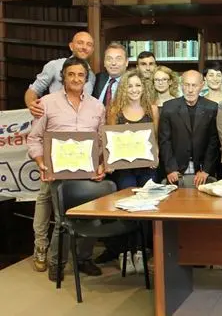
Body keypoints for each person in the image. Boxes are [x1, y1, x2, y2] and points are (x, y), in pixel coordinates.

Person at [26, 57, 106, 282]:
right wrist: (40, 161)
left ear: (86, 78)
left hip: (88, 174)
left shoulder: (97, 106)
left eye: (81, 75)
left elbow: (102, 141)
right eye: (71, 74)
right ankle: (56, 262)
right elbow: (34, 139)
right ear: (63, 77)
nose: (76, 79)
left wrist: (102, 164)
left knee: (93, 217)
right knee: (63, 221)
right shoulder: (47, 103)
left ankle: (83, 258)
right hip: (58, 174)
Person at [101, 69, 158, 272]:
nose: (134, 89)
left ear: (144, 88)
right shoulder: (115, 110)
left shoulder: (152, 109)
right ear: (124, 88)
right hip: (124, 169)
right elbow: (109, 141)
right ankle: (125, 252)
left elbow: (156, 140)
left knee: (144, 209)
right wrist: (109, 162)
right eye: (131, 85)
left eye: (138, 86)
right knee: (126, 209)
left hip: (146, 169)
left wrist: (155, 158)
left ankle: (140, 252)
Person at [158, 70, 218, 187]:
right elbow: (164, 140)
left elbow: (214, 141)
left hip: (201, 169)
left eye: (194, 85)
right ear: (181, 85)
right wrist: (171, 168)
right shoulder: (169, 107)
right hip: (176, 168)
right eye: (186, 85)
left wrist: (206, 170)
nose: (190, 90)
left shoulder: (212, 108)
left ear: (202, 86)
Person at [92, 42, 129, 107]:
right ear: (104, 63)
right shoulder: (98, 78)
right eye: (109, 59)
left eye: (118, 59)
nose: (113, 63)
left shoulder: (133, 83)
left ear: (126, 62)